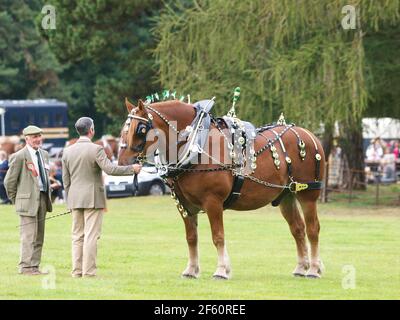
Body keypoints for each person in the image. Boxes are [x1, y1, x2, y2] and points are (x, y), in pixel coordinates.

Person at [62, 117, 141, 278]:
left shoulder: (67, 150)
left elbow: (66, 180)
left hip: (75, 198)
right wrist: (131, 168)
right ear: (91, 130)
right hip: (92, 198)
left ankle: (77, 272)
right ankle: (89, 272)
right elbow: (110, 169)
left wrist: (70, 199)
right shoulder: (96, 149)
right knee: (91, 236)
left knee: (77, 236)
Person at [4, 125, 53, 275]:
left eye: (39, 136)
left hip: (43, 199)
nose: (38, 139)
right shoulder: (19, 156)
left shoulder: (44, 154)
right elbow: (9, 182)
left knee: (39, 236)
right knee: (28, 236)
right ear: (27, 139)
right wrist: (17, 200)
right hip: (26, 202)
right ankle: (25, 267)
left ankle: (34, 267)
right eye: (34, 137)